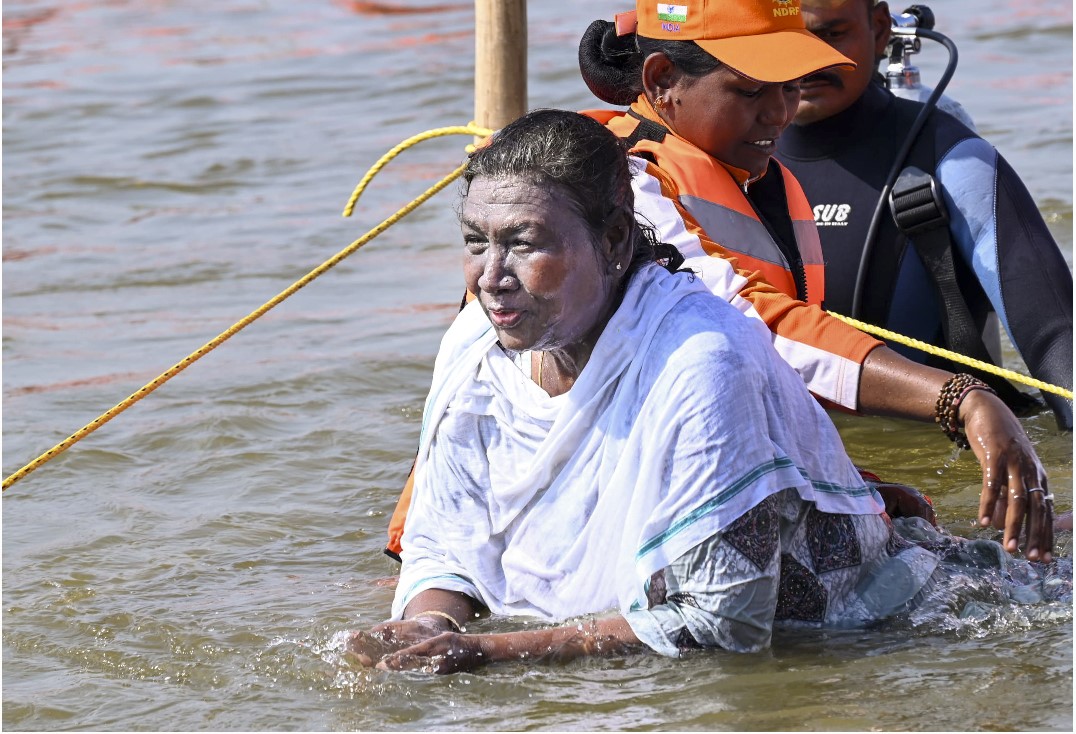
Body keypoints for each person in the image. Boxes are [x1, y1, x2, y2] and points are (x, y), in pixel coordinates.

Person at [350, 110, 1066, 674]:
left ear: (615, 242)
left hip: (887, 629)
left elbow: (723, 624)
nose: (489, 275)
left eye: (525, 242)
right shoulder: (477, 344)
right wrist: (431, 623)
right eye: (476, 241)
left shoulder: (701, 364)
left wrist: (498, 652)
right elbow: (447, 540)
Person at [774, 0, 1073, 428]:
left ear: (879, 29)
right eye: (786, 40)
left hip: (928, 456)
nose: (807, 60)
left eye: (832, 35)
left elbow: (1055, 340)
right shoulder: (715, 160)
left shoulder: (953, 160)